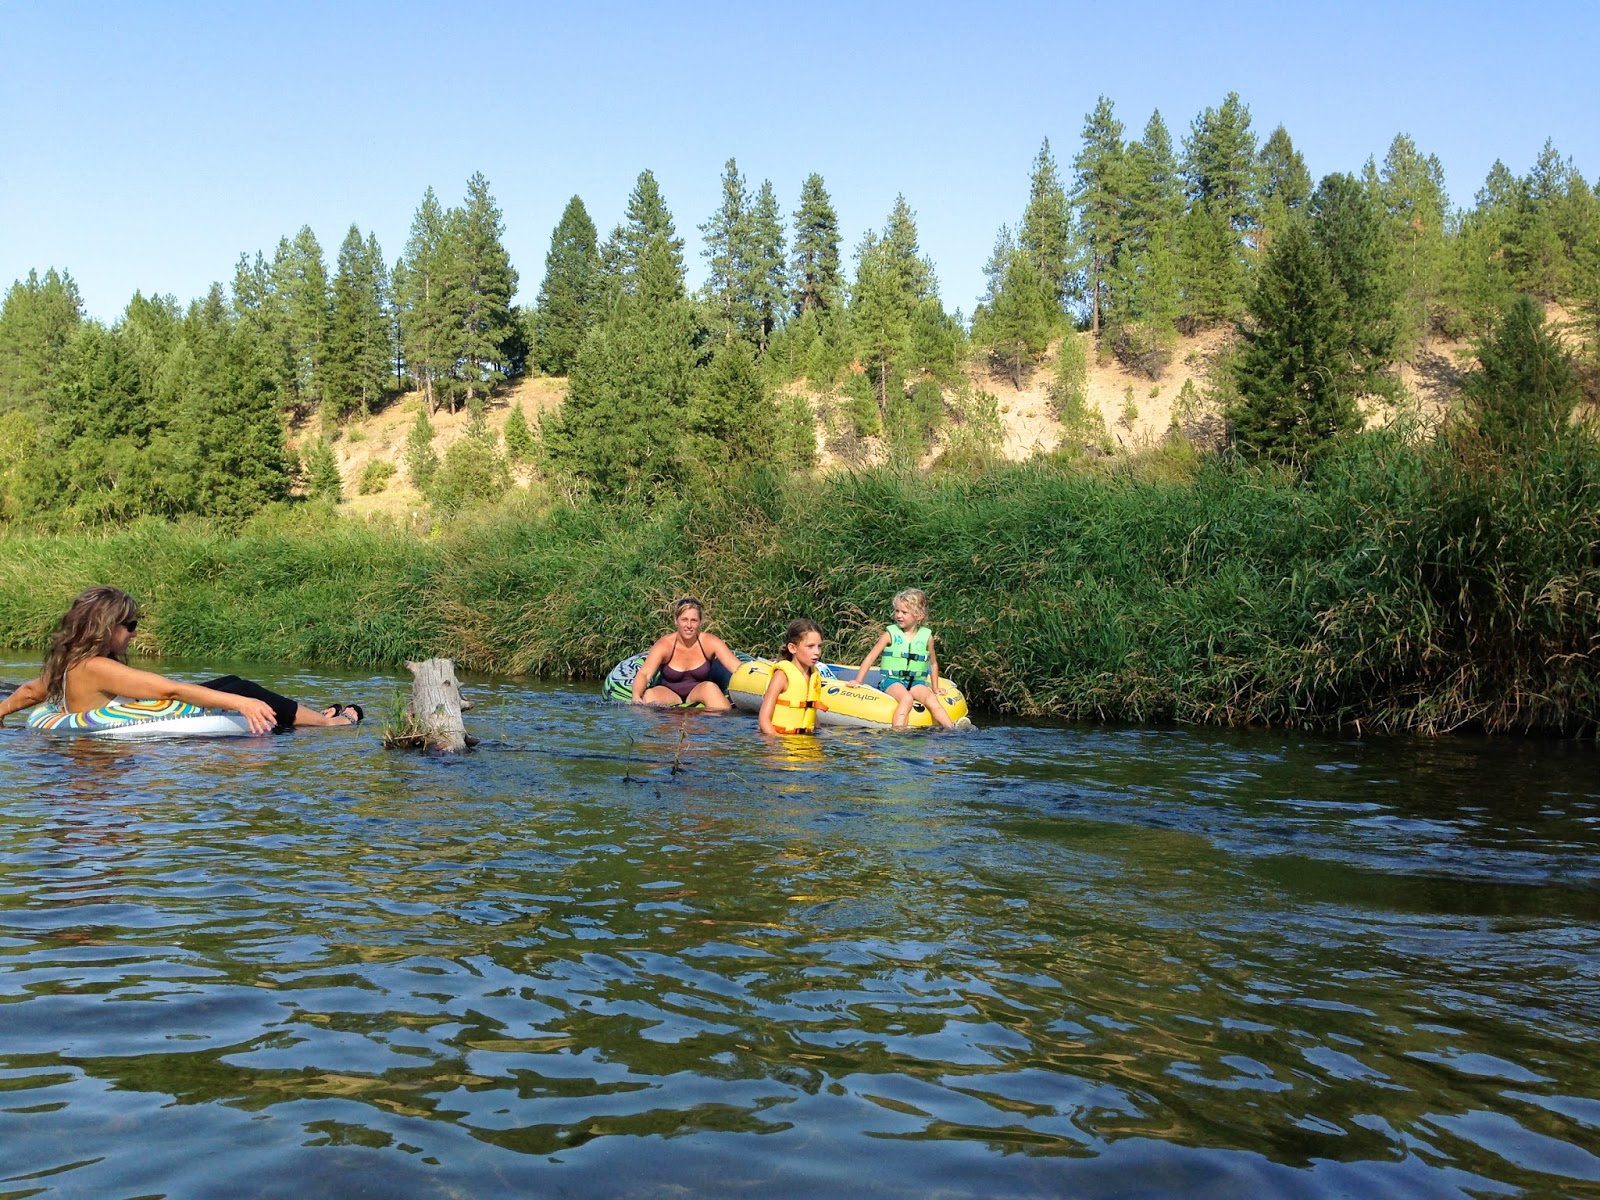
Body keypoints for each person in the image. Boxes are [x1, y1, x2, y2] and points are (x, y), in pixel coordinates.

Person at [0, 586, 362, 734]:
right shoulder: (99, 667)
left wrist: (1, 712)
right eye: (131, 626)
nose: (135, 634)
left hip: (91, 737)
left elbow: (32, 692)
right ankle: (327, 725)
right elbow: (171, 691)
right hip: (111, 742)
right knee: (239, 687)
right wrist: (243, 703)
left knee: (227, 682)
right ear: (107, 627)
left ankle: (309, 716)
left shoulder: (67, 661)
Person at [852, 587, 958, 730]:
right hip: (892, 681)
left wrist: (936, 687)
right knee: (906, 699)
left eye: (904, 612)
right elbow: (870, 658)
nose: (899, 615)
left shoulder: (927, 637)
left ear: (919, 615)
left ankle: (952, 730)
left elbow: (932, 663)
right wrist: (858, 681)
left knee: (931, 698)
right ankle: (898, 734)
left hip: (916, 682)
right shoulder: (890, 634)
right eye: (897, 611)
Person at [631, 597, 744, 710]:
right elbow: (644, 674)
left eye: (693, 620)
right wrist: (636, 696)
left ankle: (723, 724)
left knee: (710, 688)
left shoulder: (710, 642)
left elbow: (737, 667)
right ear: (676, 620)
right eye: (684, 619)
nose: (689, 625)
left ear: (700, 622)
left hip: (699, 691)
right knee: (650, 695)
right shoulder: (664, 645)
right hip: (669, 692)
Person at [759, 618, 824, 736]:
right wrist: (776, 746)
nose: (817, 652)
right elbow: (764, 719)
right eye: (810, 646)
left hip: (805, 741)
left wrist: (821, 732)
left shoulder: (813, 675)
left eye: (819, 646)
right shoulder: (782, 675)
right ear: (792, 648)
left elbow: (810, 710)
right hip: (780, 742)